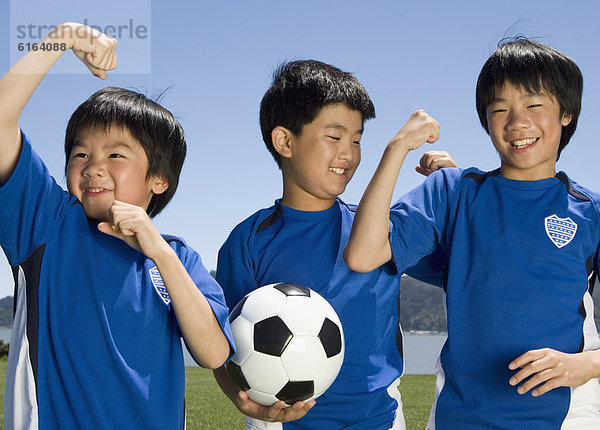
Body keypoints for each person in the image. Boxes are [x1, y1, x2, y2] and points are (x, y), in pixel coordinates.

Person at [344, 38, 600, 429]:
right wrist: (397, 148)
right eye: (501, 109)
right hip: (459, 416)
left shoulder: (591, 211)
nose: (517, 123)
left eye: (534, 104)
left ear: (566, 112)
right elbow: (363, 255)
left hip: (567, 415)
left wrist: (585, 364)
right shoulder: (452, 192)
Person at [0, 22, 234, 429]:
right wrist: (64, 35)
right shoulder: (47, 226)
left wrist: (158, 251)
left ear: (158, 179)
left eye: (116, 155)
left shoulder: (177, 258)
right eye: (80, 154)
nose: (93, 167)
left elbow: (213, 354)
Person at [213, 60, 457, 429]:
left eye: (357, 140)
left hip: (383, 420)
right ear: (285, 141)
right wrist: (243, 403)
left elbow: (467, 272)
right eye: (334, 136)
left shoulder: (379, 230)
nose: (349, 153)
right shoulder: (248, 241)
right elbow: (221, 348)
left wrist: (452, 193)